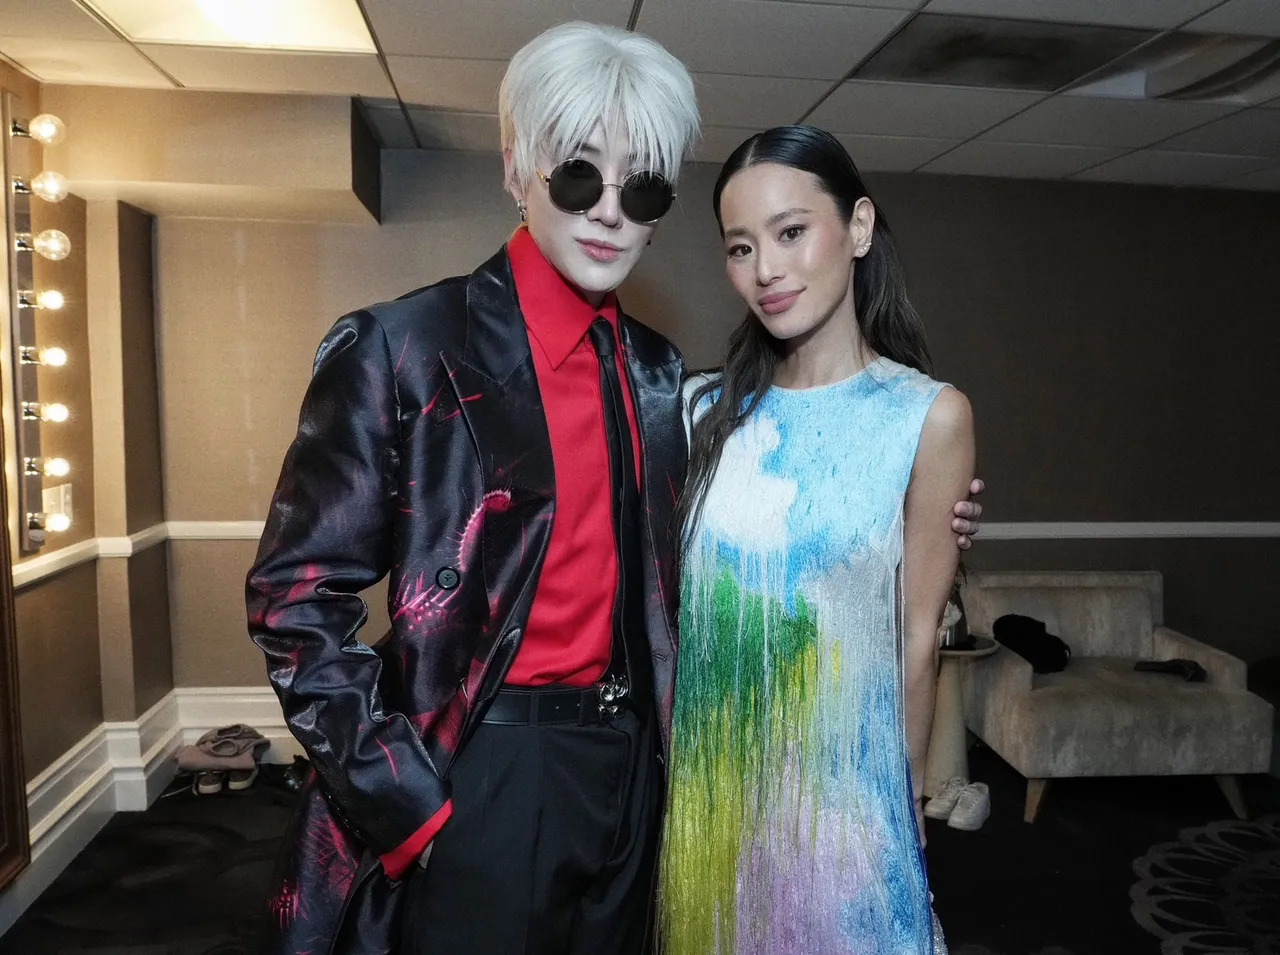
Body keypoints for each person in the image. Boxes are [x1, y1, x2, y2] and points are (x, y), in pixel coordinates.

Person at [246, 23, 981, 954]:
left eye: (641, 189)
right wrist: (402, 799)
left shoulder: (662, 376)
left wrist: (927, 509)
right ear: (517, 168)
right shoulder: (405, 348)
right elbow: (293, 597)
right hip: (485, 772)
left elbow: (784, 507)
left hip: (642, 778)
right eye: (577, 176)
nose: (607, 212)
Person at [659, 125, 976, 955]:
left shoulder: (928, 417)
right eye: (740, 247)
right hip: (713, 810)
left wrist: (906, 803)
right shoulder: (699, 413)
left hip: (847, 816)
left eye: (791, 231)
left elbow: (916, 639)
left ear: (858, 228)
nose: (765, 268)